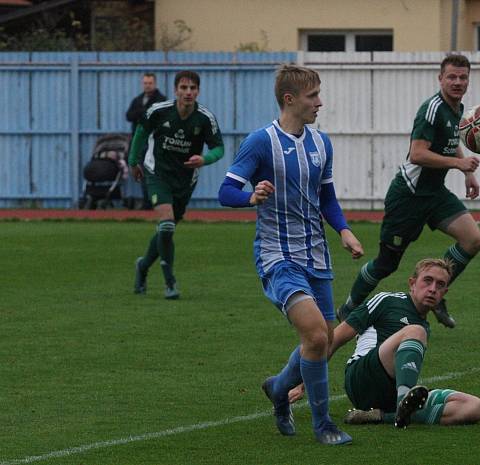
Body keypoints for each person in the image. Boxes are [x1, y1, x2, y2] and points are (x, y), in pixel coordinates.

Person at [217, 64, 364, 445]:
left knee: (324, 340)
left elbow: (327, 197)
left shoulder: (321, 144)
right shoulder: (261, 142)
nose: (320, 102)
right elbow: (226, 190)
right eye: (313, 95)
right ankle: (322, 424)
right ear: (290, 99)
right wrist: (251, 196)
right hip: (277, 256)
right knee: (316, 335)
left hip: (316, 255)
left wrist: (344, 231)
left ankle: (280, 389)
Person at [338, 53, 480, 329]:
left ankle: (437, 294)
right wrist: (459, 164)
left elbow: (451, 141)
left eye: (462, 77)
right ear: (440, 78)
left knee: (473, 240)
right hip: (408, 196)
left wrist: (468, 172)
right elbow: (417, 154)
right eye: (451, 76)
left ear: (468, 80)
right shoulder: (431, 109)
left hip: (435, 193)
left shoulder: (458, 109)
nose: (457, 82)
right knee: (386, 264)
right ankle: (350, 307)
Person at [290, 258, 480, 428]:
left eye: (440, 285)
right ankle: (403, 403)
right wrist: (300, 382)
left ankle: (384, 416)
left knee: (473, 406)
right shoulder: (387, 301)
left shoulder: (424, 324)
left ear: (444, 292)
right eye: (427, 281)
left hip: (388, 395)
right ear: (412, 283)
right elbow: (335, 338)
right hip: (362, 378)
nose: (433, 289)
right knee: (415, 330)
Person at [129, 70, 224, 299]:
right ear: (175, 90)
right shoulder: (159, 111)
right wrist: (133, 161)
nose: (188, 92)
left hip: (184, 180)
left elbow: (218, 148)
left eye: (192, 88)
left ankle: (142, 266)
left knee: (166, 228)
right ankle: (169, 282)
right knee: (167, 225)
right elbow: (141, 132)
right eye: (183, 88)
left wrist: (205, 159)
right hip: (157, 173)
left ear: (198, 91)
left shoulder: (205, 118)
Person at [126, 72, 167, 210]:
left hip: (153, 142)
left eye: (150, 83)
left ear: (155, 84)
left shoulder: (161, 99)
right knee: (140, 171)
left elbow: (159, 118)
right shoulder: (138, 99)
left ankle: (155, 201)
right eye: (145, 83)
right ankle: (146, 202)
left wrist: (142, 114)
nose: (147, 86)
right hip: (138, 141)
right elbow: (129, 115)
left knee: (153, 172)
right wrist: (143, 112)